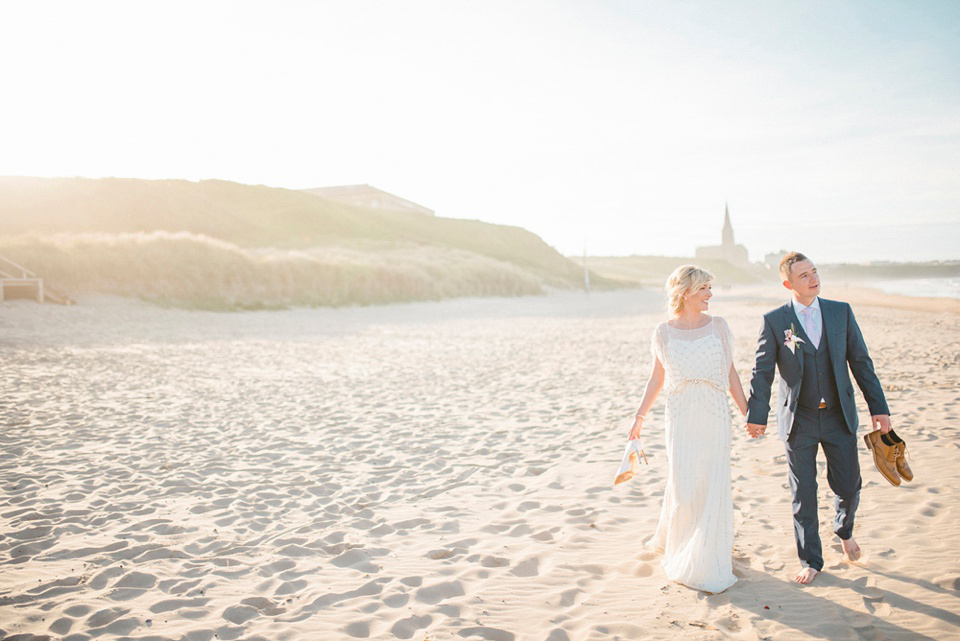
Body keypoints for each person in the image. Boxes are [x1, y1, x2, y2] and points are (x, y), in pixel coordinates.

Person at [745, 252, 891, 584]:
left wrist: (878, 407)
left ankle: (843, 528)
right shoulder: (775, 321)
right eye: (803, 276)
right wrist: (757, 415)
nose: (813, 279)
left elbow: (861, 362)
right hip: (800, 419)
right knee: (803, 493)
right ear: (788, 284)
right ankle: (811, 559)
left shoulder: (841, 312)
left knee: (849, 484)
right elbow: (763, 372)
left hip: (840, 415)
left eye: (814, 272)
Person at [628, 265, 748, 593]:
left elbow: (732, 374)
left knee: (712, 478)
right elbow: (657, 377)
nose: (710, 294)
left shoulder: (719, 327)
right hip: (680, 415)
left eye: (710, 288)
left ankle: (710, 549)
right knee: (684, 482)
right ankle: (682, 543)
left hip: (714, 412)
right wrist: (639, 417)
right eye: (704, 289)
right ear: (685, 294)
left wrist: (747, 412)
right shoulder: (663, 332)